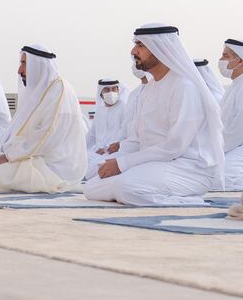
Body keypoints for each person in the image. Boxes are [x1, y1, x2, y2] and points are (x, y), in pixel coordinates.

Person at [84, 24, 225, 206]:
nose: (133, 51)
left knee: (125, 187)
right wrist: (114, 162)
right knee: (91, 186)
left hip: (188, 168)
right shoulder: (149, 89)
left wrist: (123, 164)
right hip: (154, 164)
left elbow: (174, 146)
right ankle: (138, 187)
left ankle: (188, 202)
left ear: (161, 49)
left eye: (140, 45)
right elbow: (136, 141)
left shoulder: (184, 87)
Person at [0, 45, 86, 193]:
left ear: (38, 66)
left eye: (24, 64)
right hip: (33, 156)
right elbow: (17, 133)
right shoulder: (39, 92)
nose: (20, 70)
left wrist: (7, 157)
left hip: (55, 165)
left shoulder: (59, 92)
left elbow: (45, 138)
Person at [85, 79, 130, 179]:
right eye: (107, 90)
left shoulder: (124, 108)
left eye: (114, 89)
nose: (111, 92)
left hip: (115, 152)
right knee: (80, 159)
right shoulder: (100, 111)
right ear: (101, 93)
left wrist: (106, 149)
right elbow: (91, 136)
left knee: (94, 168)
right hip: (97, 152)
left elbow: (126, 133)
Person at [214, 39, 243, 190]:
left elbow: (238, 130)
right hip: (230, 146)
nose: (220, 61)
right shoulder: (235, 86)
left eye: (225, 56)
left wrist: (216, 149)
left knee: (223, 178)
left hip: (238, 146)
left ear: (239, 61)